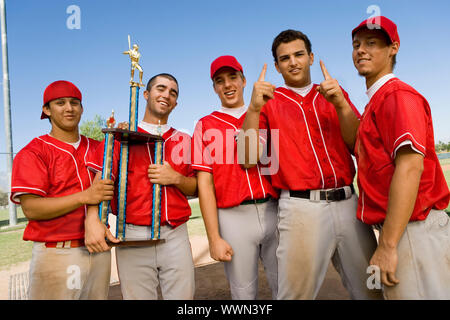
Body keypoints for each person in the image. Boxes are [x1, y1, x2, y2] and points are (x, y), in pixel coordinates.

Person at [240, 30, 382, 299]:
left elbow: (358, 147)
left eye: (298, 54)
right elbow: (247, 158)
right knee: (295, 295)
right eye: (285, 58)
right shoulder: (268, 102)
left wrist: (340, 104)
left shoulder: (334, 93)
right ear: (278, 65)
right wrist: (253, 109)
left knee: (372, 289)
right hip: (301, 208)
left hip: (349, 204)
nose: (293, 62)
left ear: (311, 57)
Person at [343, 16, 450, 299]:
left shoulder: (396, 95)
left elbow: (410, 167)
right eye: (356, 45)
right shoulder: (376, 100)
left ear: (394, 48)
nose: (361, 50)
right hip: (403, 229)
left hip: (412, 231)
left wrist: (388, 245)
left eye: (372, 43)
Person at [85, 73, 197, 300]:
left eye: (173, 93)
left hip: (175, 233)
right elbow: (100, 183)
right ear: (145, 94)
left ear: (176, 102)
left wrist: (175, 178)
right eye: (161, 88)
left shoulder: (184, 139)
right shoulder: (121, 135)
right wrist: (96, 220)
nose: (166, 95)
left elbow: (196, 188)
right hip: (132, 234)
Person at [10, 80, 115, 300]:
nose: (69, 108)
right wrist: (85, 196)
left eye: (75, 103)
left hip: (99, 250)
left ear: (82, 108)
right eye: (60, 103)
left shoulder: (99, 147)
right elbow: (31, 209)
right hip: (57, 252)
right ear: (46, 109)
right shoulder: (33, 151)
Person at [192, 55, 279, 299]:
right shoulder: (205, 125)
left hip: (274, 209)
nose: (227, 85)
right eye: (220, 81)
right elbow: (205, 186)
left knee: (286, 286)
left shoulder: (265, 112)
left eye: (233, 77)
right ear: (214, 88)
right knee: (243, 292)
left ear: (243, 80)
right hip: (233, 216)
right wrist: (213, 238)